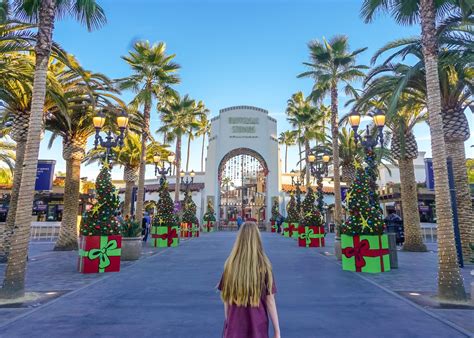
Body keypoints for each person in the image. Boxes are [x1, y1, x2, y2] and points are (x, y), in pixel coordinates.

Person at [218, 222, 281, 338]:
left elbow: (226, 299)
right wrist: (277, 331)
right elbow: (270, 300)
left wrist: (228, 321)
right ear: (257, 239)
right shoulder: (264, 266)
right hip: (258, 327)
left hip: (234, 328)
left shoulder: (230, 265)